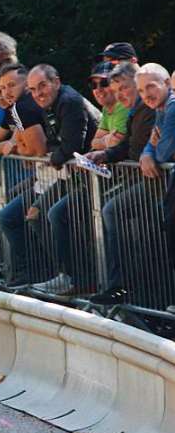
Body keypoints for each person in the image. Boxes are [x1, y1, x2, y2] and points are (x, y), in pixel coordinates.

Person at [0, 64, 98, 294]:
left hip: (88, 176)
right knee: (20, 213)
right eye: (33, 89)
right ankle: (51, 274)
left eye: (11, 85)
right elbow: (43, 145)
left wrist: (46, 155)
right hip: (65, 174)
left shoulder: (64, 102)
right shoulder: (30, 106)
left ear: (57, 82)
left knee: (46, 213)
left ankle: (74, 278)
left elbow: (57, 148)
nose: (5, 93)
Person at [81, 62, 155, 303]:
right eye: (118, 89)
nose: (120, 94)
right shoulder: (135, 109)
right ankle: (123, 287)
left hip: (154, 182)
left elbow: (137, 147)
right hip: (142, 179)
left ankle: (122, 287)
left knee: (111, 210)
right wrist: (105, 153)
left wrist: (148, 154)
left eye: (124, 88)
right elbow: (122, 146)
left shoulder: (148, 107)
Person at [88, 62, 129, 151]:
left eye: (104, 83)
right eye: (94, 85)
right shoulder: (106, 108)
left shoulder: (123, 105)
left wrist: (102, 141)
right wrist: (107, 140)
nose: (98, 89)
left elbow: (116, 142)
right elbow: (94, 143)